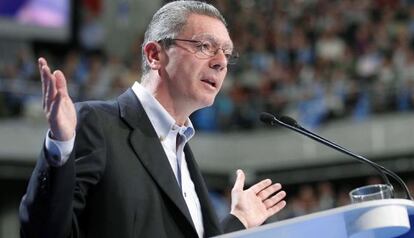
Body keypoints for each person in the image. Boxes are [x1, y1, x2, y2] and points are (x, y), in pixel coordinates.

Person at [19, 1, 287, 237]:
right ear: (154, 54)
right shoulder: (96, 124)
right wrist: (61, 148)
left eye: (227, 53)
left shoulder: (182, 150)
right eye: (205, 46)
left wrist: (237, 222)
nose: (221, 62)